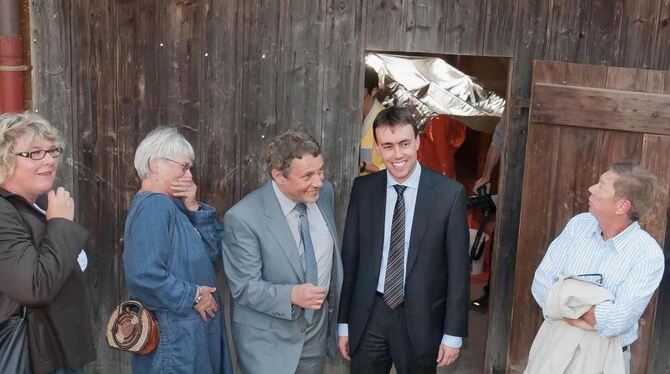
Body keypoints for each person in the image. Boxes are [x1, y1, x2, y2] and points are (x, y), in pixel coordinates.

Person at [338, 107, 470, 373]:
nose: (397, 155)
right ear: (377, 148)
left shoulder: (449, 195)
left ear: (418, 141)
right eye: (388, 146)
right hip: (370, 314)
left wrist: (453, 333)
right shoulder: (363, 190)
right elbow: (350, 261)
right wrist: (344, 323)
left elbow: (458, 271)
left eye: (404, 144)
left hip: (423, 319)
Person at [222, 130, 342, 374]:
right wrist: (292, 295)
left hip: (315, 334)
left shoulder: (324, 193)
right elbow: (244, 288)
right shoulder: (243, 217)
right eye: (308, 175)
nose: (318, 181)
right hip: (268, 344)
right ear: (278, 176)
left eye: (320, 171)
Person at [531, 162, 664, 374]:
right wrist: (589, 310)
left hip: (605, 357)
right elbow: (541, 283)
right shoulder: (579, 225)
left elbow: (617, 320)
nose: (591, 189)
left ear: (622, 206)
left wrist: (564, 300)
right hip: (555, 344)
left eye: (601, 186)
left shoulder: (647, 255)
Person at [122, 126, 233, 374]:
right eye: (184, 166)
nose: (189, 175)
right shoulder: (154, 206)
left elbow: (213, 253)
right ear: (155, 165)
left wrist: (193, 207)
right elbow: (144, 276)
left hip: (188, 337)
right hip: (174, 342)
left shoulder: (174, 206)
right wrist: (192, 295)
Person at [0, 112, 96, 374]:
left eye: (52, 150)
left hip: (53, 351)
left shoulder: (39, 205)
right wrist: (61, 224)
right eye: (34, 153)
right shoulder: (3, 212)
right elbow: (34, 287)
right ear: (4, 160)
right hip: (29, 357)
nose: (50, 160)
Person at [471, 120, 503, 309]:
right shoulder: (510, 115)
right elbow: (498, 141)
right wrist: (486, 175)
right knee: (498, 243)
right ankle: (491, 294)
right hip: (511, 189)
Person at [360, 65, 386, 174]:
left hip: (374, 185)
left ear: (374, 91)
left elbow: (396, 162)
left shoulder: (385, 120)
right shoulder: (343, 116)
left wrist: (364, 166)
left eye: (359, 94)